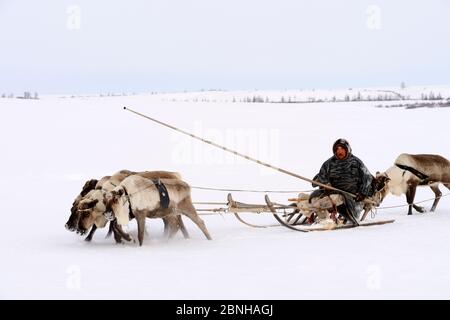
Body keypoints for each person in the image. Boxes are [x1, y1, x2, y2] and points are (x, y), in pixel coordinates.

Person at [310, 138, 373, 223]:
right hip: (334, 192)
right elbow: (322, 176)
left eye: (342, 149)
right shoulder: (329, 163)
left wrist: (362, 193)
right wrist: (327, 184)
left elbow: (367, 177)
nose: (340, 151)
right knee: (315, 198)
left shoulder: (356, 162)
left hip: (352, 195)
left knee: (353, 212)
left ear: (347, 149)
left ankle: (348, 215)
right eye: (337, 149)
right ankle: (321, 216)